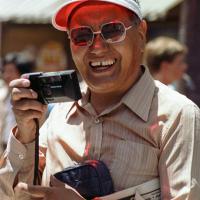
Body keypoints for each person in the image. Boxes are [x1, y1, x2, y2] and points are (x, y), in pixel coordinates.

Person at [0, 0, 200, 199]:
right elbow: (13, 196)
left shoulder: (177, 116)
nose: (97, 47)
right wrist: (26, 137)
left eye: (112, 30)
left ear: (140, 34)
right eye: (81, 35)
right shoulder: (58, 114)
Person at [0, 52, 35, 155]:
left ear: (22, 73)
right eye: (4, 71)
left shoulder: (32, 97)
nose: (6, 75)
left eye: (11, 71)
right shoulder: (2, 95)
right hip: (3, 148)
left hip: (23, 151)